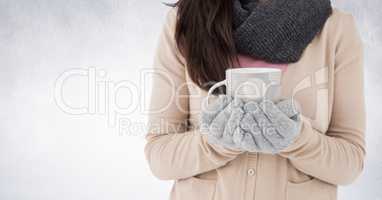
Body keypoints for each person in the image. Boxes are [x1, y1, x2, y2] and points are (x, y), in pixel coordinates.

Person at [144, 0, 366, 199]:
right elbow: (159, 155)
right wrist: (215, 142)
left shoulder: (336, 30)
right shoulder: (185, 22)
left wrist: (296, 140)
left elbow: (350, 162)